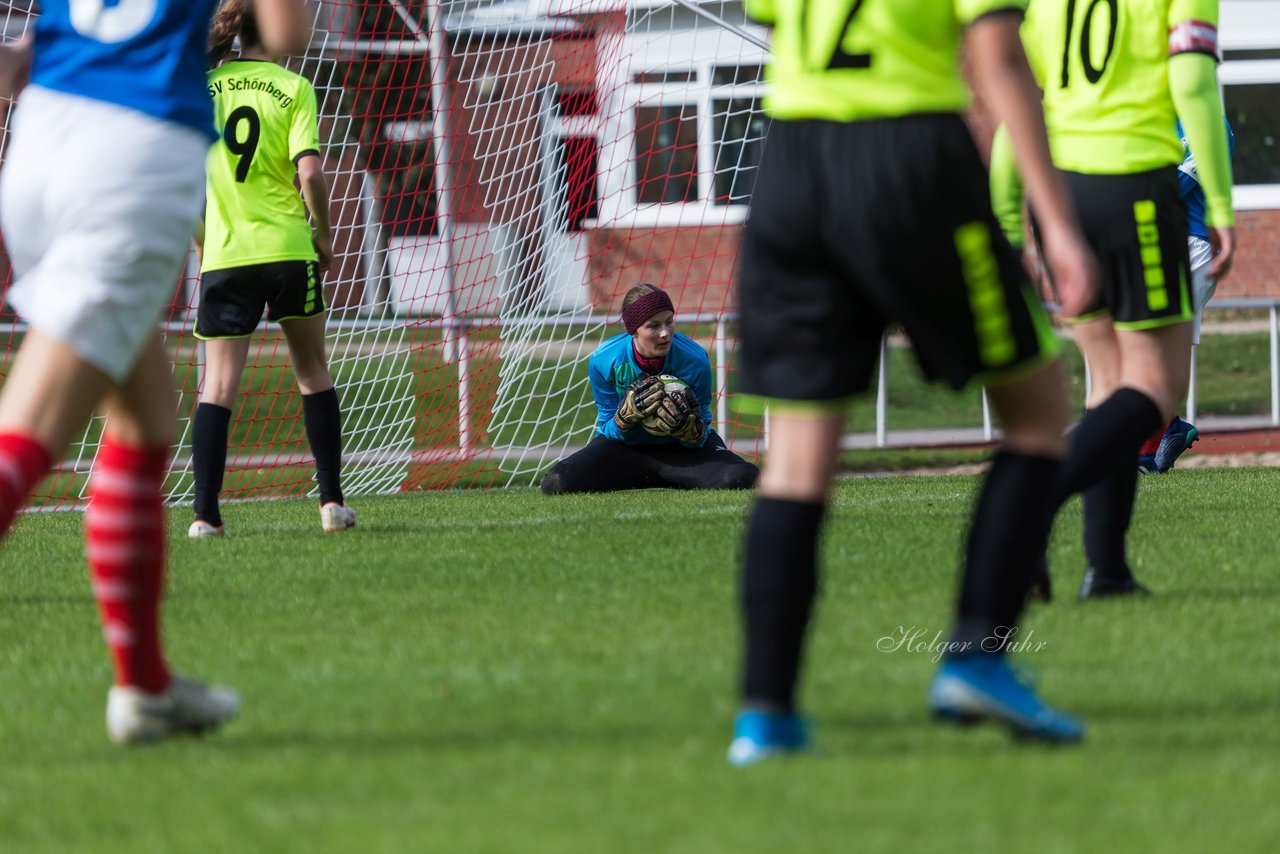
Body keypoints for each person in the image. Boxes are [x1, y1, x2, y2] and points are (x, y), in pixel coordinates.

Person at [727, 0, 1097, 765]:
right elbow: (997, 57)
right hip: (911, 156)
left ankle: (765, 718)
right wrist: (1057, 224)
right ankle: (977, 656)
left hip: (791, 164)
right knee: (1037, 411)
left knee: (795, 460)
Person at [0, 0, 311, 744]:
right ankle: (143, 689)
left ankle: (144, 687)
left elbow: (21, 59)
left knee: (146, 417)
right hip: (131, 160)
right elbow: (288, 36)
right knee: (29, 430)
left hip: (39, 145)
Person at [1013, 0, 1235, 600]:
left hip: (1061, 196)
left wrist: (1015, 217)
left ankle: (1105, 568)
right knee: (1156, 391)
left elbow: (1021, 105)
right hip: (1134, 187)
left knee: (1106, 388)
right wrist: (1219, 205)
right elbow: (1192, 82)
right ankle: (1027, 507)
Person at [189, 0, 352, 538]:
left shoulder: (202, 87)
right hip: (287, 250)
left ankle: (205, 515)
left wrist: (203, 243)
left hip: (226, 256)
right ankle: (331, 502)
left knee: (217, 387)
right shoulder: (294, 87)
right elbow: (311, 176)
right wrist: (323, 237)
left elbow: (185, 184)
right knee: (312, 373)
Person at [540, 283, 758, 494]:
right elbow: (606, 425)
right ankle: (652, 476)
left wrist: (690, 431)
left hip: (682, 452)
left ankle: (677, 476)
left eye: (669, 321)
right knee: (558, 482)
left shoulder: (694, 358)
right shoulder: (604, 360)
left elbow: (703, 426)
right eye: (654, 325)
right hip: (625, 451)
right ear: (634, 330)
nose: (665, 333)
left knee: (743, 476)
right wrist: (623, 419)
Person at [1136, 119, 1236, 474]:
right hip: (1159, 242)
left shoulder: (1209, 122)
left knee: (1164, 347)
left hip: (1194, 247)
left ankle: (1150, 448)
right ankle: (1166, 431)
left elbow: (1178, 185)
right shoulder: (1152, 111)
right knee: (1147, 345)